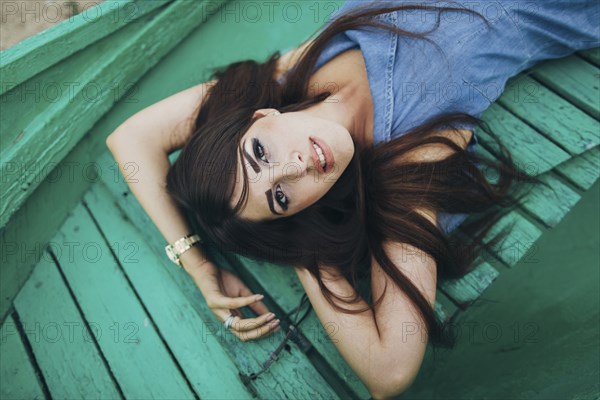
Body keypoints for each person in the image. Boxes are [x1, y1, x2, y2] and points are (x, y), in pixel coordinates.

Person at [106, 1, 599, 397]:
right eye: (280, 197)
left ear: (262, 117)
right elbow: (389, 371)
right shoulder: (412, 152)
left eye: (260, 154)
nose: (294, 167)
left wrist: (195, 263)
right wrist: (299, 248)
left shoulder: (295, 70)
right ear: (299, 213)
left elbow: (129, 139)